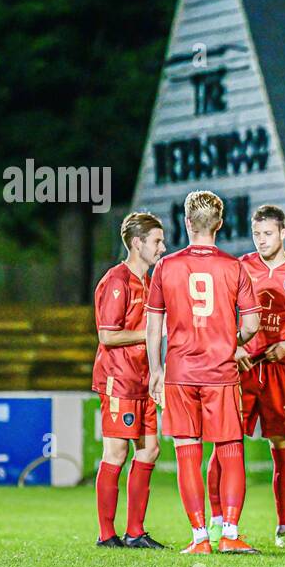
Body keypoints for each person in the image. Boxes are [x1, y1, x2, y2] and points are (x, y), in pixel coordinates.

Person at [206, 205, 285, 547]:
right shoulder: (240, 267)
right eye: (256, 234)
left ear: (283, 233)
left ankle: (283, 528)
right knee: (225, 444)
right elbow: (216, 314)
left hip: (281, 370)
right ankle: (218, 523)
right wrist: (233, 347)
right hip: (242, 370)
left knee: (283, 447)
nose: (261, 240)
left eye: (267, 234)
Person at [145, 191, 262, 555]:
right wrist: (234, 340)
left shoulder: (166, 267)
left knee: (187, 453)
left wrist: (155, 370)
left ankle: (199, 538)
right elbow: (254, 322)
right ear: (220, 224)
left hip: (181, 372)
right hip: (221, 372)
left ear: (185, 222)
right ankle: (229, 532)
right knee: (230, 451)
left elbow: (153, 326)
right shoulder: (234, 267)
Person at [91, 212, 166, 549]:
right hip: (119, 379)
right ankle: (107, 534)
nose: (162, 247)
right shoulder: (117, 281)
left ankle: (135, 532)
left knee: (150, 450)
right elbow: (107, 335)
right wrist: (150, 332)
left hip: (144, 379)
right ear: (138, 244)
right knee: (117, 453)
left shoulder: (150, 282)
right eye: (157, 241)